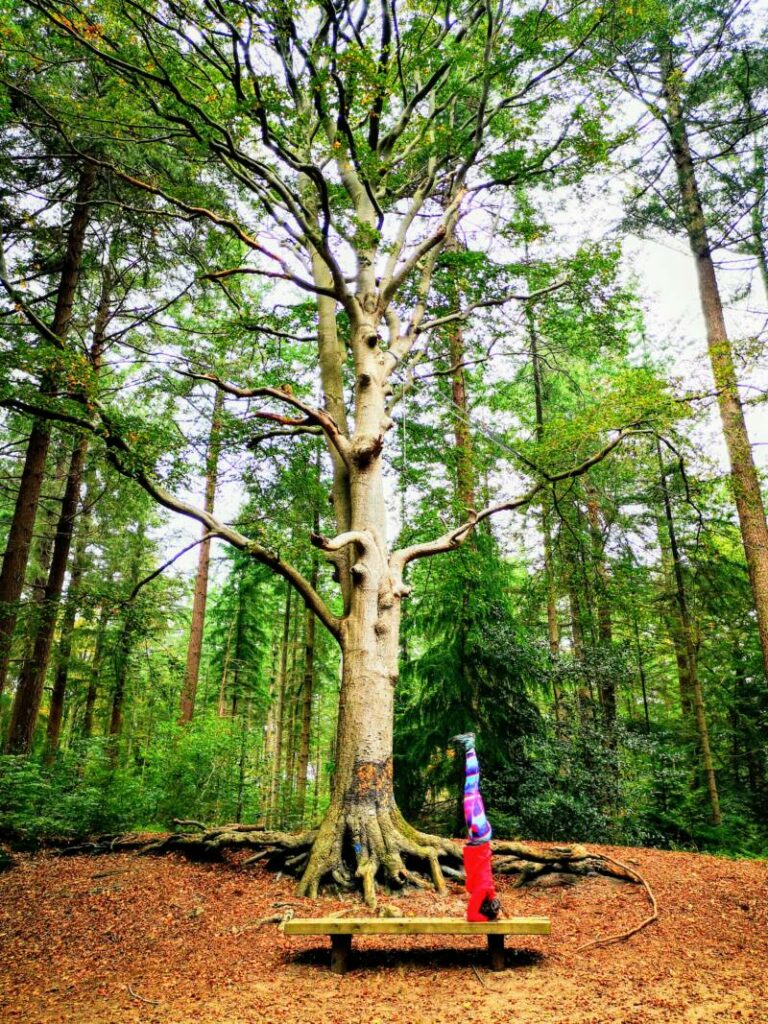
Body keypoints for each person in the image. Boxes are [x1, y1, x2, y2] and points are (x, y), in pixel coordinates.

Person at [450, 732, 503, 922]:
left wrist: (497, 910)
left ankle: (469, 747)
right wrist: (489, 918)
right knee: (471, 786)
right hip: (479, 835)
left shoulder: (487, 890)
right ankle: (469, 745)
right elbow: (472, 916)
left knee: (473, 788)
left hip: (479, 838)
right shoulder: (482, 890)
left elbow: (491, 897)